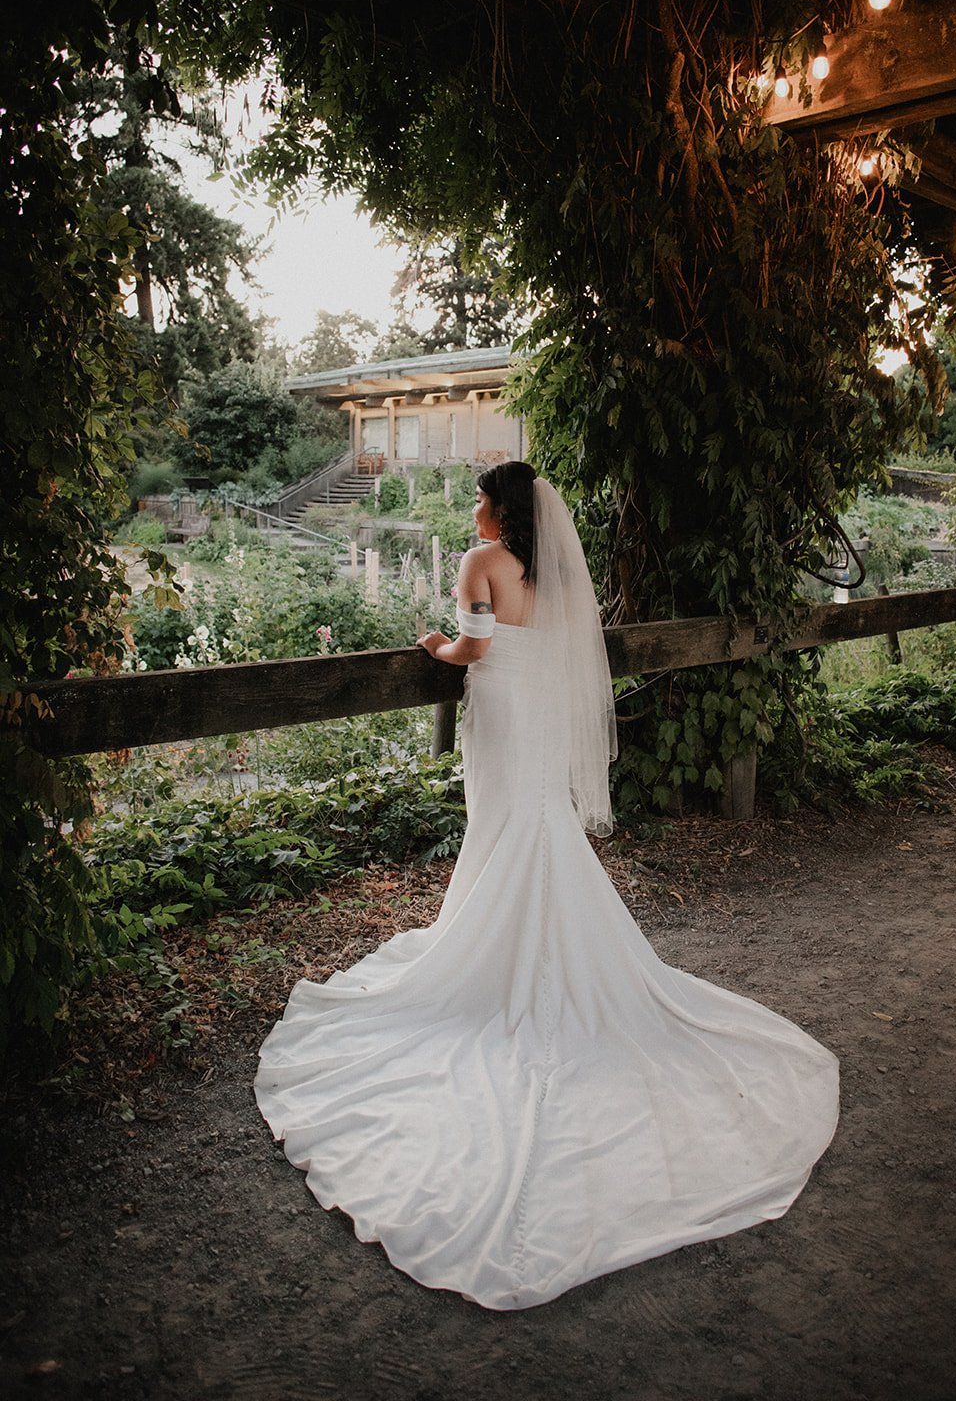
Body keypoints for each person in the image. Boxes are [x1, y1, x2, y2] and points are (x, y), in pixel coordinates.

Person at [254, 462, 838, 1310]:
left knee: (499, 827)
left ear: (500, 509)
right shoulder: (545, 572)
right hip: (535, 716)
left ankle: (494, 958)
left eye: (482, 498)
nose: (474, 508)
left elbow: (475, 649)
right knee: (536, 824)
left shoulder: (477, 562)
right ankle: (542, 947)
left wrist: (430, 648)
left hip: (496, 707)